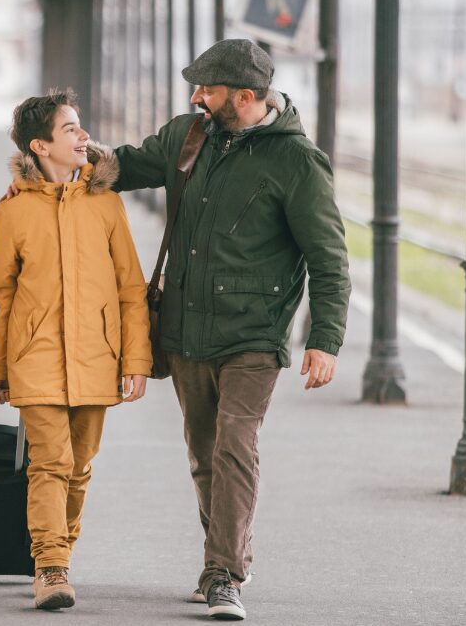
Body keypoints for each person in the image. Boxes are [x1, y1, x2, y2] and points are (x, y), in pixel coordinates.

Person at [112, 39, 351, 620]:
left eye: (208, 89)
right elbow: (122, 166)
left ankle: (224, 575)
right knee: (202, 453)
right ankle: (227, 553)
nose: (196, 96)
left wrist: (324, 339)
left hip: (254, 334)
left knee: (234, 445)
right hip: (186, 328)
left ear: (246, 97)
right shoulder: (186, 136)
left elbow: (329, 258)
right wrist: (49, 170)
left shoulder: (298, 162)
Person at [0, 89, 152, 611]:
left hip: (97, 355)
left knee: (79, 467)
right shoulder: (13, 210)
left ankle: (60, 556)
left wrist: (136, 360)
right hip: (35, 356)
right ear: (40, 145)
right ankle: (50, 565)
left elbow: (130, 287)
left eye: (81, 127)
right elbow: (0, 295)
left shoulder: (106, 203)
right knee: (49, 464)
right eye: (70, 129)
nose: (83, 136)